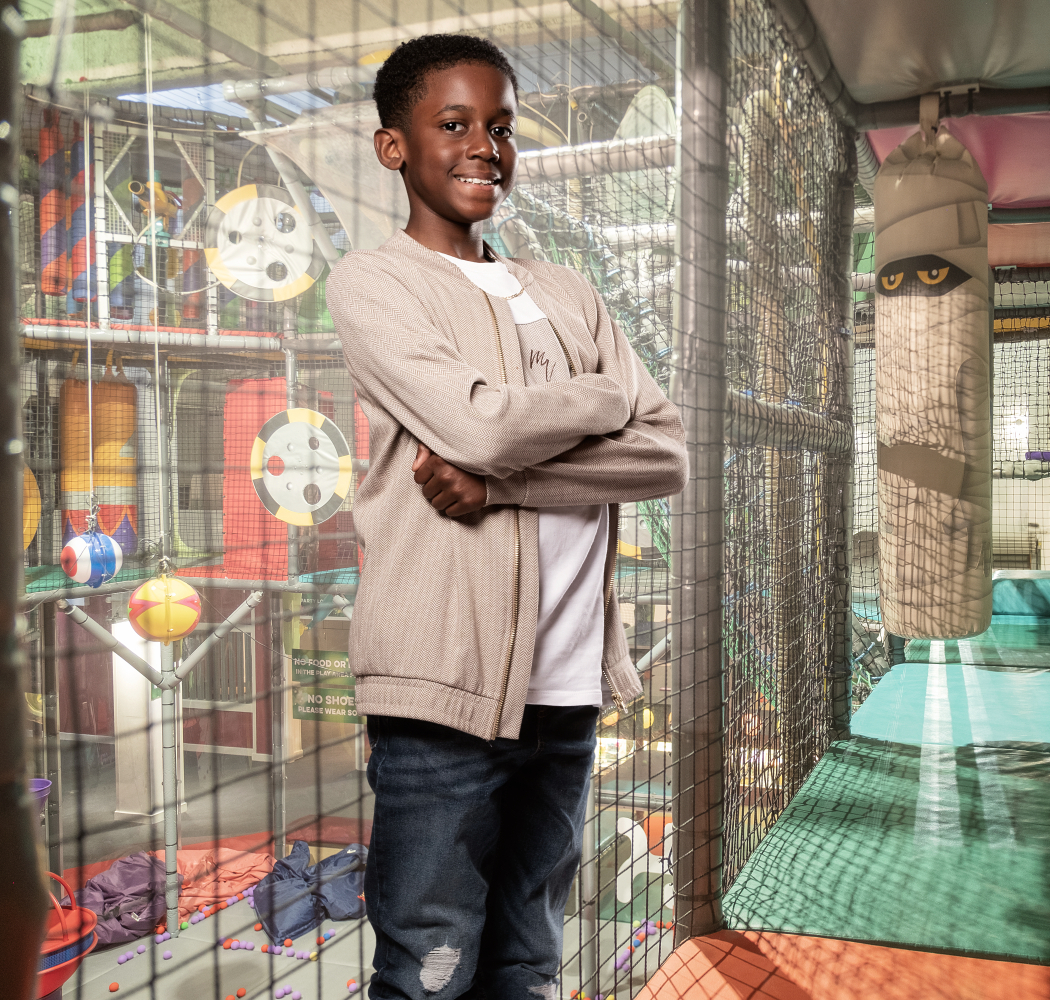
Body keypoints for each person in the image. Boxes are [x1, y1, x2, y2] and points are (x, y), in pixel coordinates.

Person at [325, 33, 687, 1000]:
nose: (485, 146)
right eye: (452, 124)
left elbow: (667, 454)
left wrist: (509, 486)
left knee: (528, 961)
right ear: (393, 147)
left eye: (500, 126)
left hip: (565, 688)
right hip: (442, 695)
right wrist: (607, 397)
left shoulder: (566, 290)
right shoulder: (376, 282)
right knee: (431, 966)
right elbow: (476, 424)